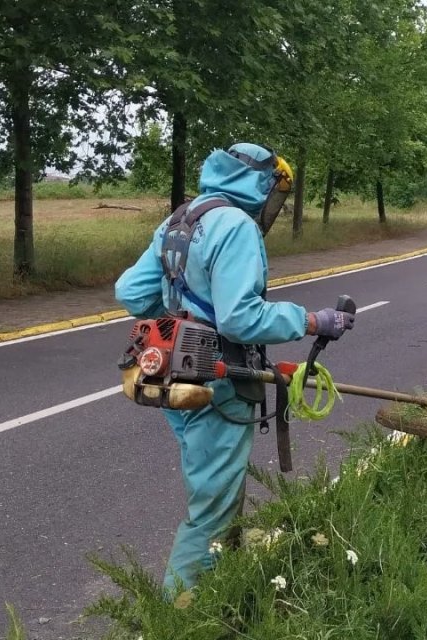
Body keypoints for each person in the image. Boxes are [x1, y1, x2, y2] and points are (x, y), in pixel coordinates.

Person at [113, 143, 355, 597]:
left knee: (218, 488)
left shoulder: (180, 220)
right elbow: (240, 319)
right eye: (273, 193)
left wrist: (178, 323)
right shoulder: (238, 226)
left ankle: (229, 587)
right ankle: (178, 617)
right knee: (210, 509)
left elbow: (129, 292)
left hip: (173, 380)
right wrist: (311, 320)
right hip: (219, 381)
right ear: (261, 185)